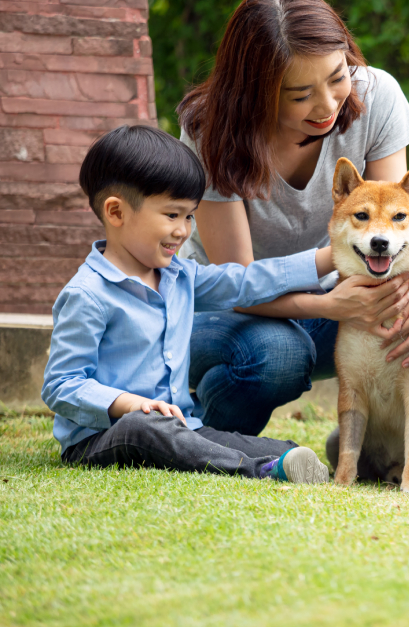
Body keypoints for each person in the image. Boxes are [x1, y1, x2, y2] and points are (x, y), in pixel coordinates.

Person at [176, 0, 409, 436]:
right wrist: (332, 306)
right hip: (232, 310)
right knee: (280, 355)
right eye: (299, 94)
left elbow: (403, 218)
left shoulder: (377, 94)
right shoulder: (212, 129)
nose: (327, 106)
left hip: (346, 296)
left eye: (337, 76)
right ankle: (210, 423)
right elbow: (238, 284)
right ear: (254, 91)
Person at [41, 125, 356, 483]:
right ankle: (260, 471)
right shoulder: (88, 294)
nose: (184, 230)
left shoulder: (179, 276)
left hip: (183, 426)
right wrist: (129, 404)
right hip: (104, 437)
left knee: (276, 445)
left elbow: (245, 282)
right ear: (116, 212)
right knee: (146, 429)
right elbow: (61, 384)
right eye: (172, 215)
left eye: (189, 216)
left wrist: (331, 257)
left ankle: (284, 460)